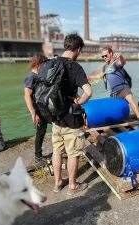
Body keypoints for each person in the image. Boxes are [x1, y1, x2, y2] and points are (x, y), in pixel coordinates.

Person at [52, 33, 92, 195]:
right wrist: (79, 101)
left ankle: (57, 183)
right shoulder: (75, 67)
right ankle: (73, 186)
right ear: (78, 49)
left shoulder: (51, 63)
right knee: (73, 153)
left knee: (57, 151)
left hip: (55, 118)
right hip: (71, 120)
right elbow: (88, 92)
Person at [101, 47, 139, 128]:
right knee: (117, 108)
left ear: (111, 54)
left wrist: (120, 56)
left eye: (105, 55)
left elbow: (123, 62)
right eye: (102, 56)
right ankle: (122, 118)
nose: (104, 58)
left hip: (123, 88)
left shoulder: (116, 63)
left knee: (130, 100)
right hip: (114, 92)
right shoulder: (104, 67)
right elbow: (101, 77)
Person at [24, 54, 49, 163]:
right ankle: (38, 156)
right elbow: (27, 95)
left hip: (44, 108)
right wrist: (33, 113)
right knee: (40, 132)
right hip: (38, 110)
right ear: (38, 64)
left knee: (43, 131)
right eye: (44, 64)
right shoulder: (31, 77)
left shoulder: (38, 75)